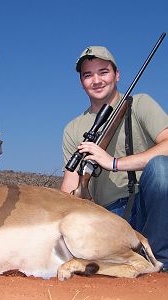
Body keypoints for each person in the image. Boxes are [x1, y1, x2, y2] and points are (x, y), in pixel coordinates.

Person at [61, 45, 168, 271]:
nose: (96, 80)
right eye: (88, 75)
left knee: (161, 168)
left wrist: (113, 163)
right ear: (81, 82)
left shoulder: (140, 104)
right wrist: (81, 190)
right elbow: (67, 191)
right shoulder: (73, 129)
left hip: (149, 208)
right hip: (109, 219)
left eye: (103, 72)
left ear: (117, 75)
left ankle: (160, 262)